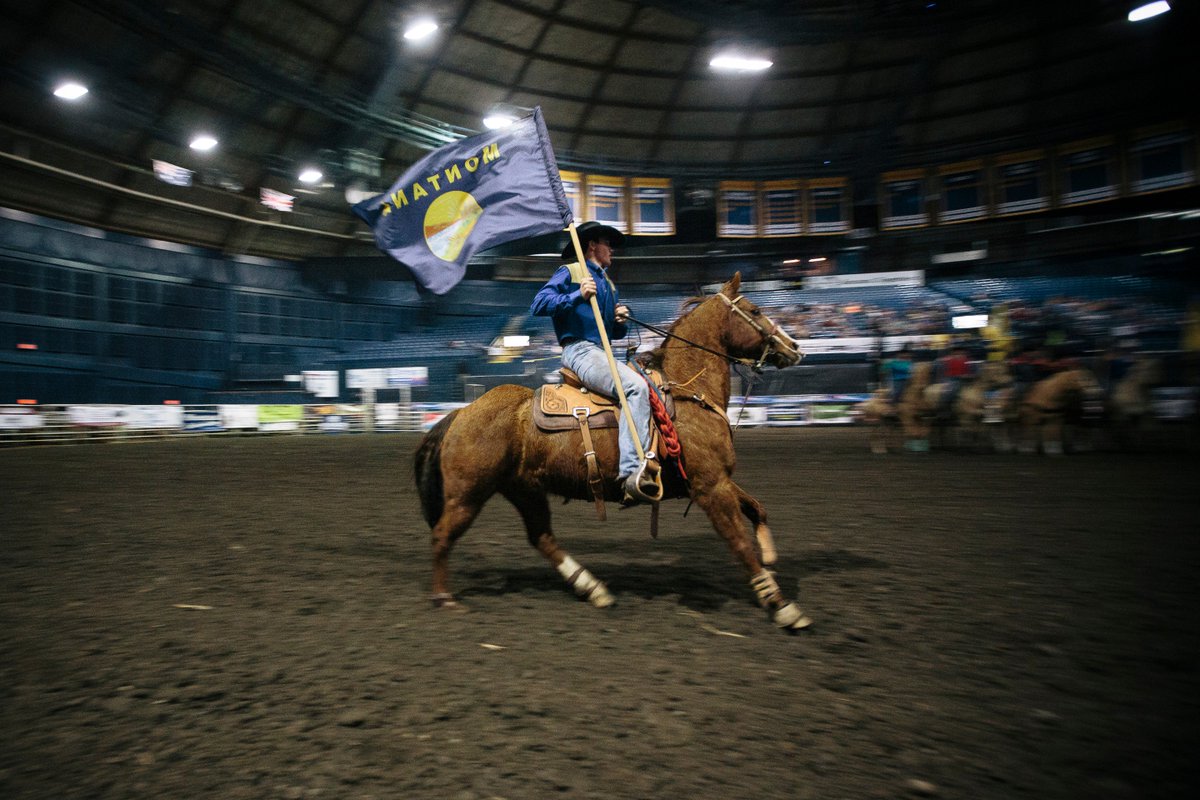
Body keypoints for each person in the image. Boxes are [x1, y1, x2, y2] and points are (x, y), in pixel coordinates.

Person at [530, 221, 655, 504]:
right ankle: (632, 472)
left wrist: (619, 322)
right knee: (635, 388)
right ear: (591, 246)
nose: (612, 249)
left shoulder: (609, 285)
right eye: (607, 242)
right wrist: (577, 294)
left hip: (602, 351)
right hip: (580, 352)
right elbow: (538, 304)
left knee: (645, 382)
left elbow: (611, 332)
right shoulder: (571, 272)